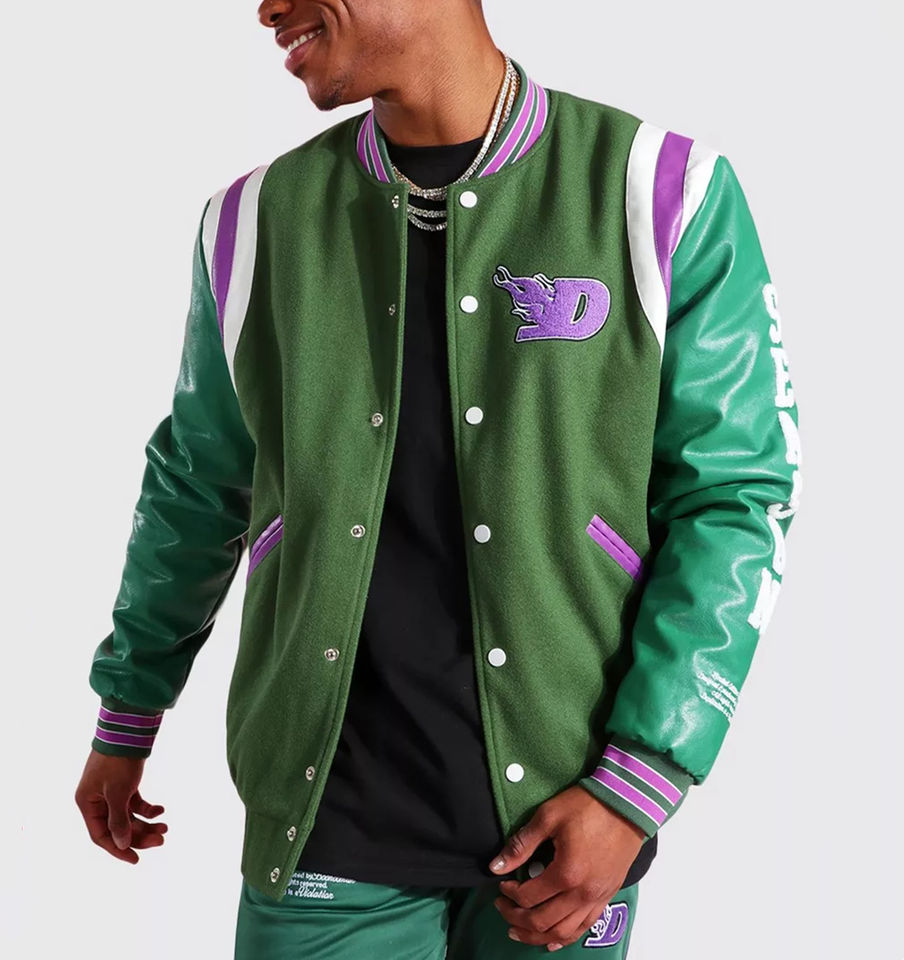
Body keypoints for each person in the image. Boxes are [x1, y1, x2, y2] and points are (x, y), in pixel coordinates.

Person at [74, 1, 803, 956]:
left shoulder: (662, 190)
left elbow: (734, 497)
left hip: (570, 822)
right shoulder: (251, 222)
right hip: (326, 819)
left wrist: (640, 783)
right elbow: (197, 486)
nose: (267, 7)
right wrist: (129, 709)